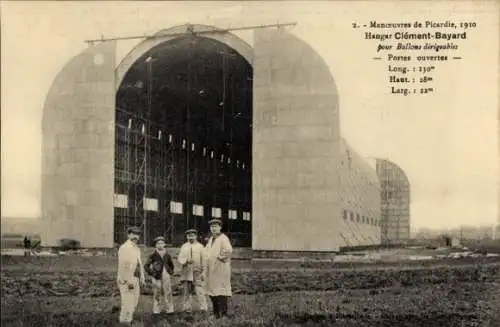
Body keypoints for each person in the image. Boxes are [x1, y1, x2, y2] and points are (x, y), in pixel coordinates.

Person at [117, 226, 145, 326]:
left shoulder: (137, 248)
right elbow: (122, 266)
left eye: (137, 234)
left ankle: (129, 320)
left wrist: (142, 277)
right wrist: (127, 281)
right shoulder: (124, 247)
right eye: (133, 234)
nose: (135, 236)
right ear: (128, 235)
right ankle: (125, 322)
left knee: (134, 303)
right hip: (127, 279)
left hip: (136, 278)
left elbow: (139, 264)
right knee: (128, 303)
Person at [204, 219, 233, 318]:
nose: (214, 228)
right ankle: (216, 312)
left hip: (220, 268)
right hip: (211, 269)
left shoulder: (223, 238)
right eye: (212, 227)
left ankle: (224, 313)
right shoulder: (211, 239)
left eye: (216, 226)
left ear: (220, 227)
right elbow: (207, 252)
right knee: (212, 291)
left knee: (221, 291)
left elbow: (228, 250)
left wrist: (220, 257)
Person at [178, 229, 208, 314]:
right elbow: (180, 258)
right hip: (186, 272)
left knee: (199, 290)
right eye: (189, 235)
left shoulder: (200, 246)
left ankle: (203, 307)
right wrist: (185, 261)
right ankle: (187, 308)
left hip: (197, 271)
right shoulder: (184, 246)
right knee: (187, 291)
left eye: (193, 235)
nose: (191, 237)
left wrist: (203, 272)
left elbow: (204, 260)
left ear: (196, 236)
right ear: (187, 237)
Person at [144, 236, 175, 316]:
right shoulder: (153, 255)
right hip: (156, 275)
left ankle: (169, 309)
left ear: (164, 244)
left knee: (167, 291)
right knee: (157, 292)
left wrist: (170, 272)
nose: (160, 245)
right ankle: (157, 310)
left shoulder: (167, 255)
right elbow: (146, 266)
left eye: (162, 243)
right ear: (155, 245)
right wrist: (152, 273)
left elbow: (171, 265)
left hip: (166, 274)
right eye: (158, 243)